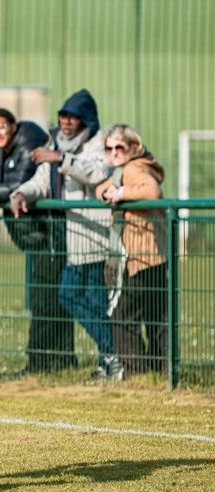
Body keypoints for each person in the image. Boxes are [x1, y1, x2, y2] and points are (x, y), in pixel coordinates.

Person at [0, 107, 74, 376]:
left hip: (47, 235)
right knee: (50, 300)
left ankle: (39, 364)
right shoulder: (4, 153)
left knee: (45, 302)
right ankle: (62, 361)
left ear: (13, 125)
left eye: (0, 126)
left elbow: (17, 187)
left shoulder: (28, 146)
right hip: (37, 237)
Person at [11, 89, 117, 378]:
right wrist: (21, 193)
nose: (66, 122)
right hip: (70, 242)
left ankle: (109, 360)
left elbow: (99, 173)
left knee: (96, 304)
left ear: (85, 119)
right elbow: (40, 182)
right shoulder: (55, 145)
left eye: (73, 117)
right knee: (69, 296)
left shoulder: (97, 143)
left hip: (94, 240)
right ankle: (112, 355)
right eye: (63, 116)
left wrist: (61, 158)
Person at [96, 125, 167, 376]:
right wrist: (110, 192)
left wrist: (122, 192)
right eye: (109, 148)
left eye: (120, 147)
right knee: (156, 316)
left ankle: (136, 372)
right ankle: (163, 370)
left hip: (140, 256)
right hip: (152, 254)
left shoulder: (134, 169)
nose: (114, 152)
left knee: (122, 315)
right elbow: (101, 188)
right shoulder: (128, 168)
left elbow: (152, 192)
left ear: (133, 147)